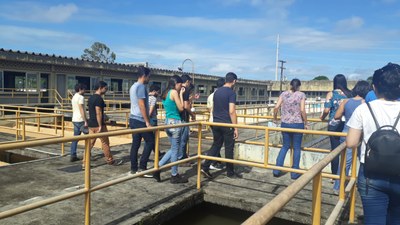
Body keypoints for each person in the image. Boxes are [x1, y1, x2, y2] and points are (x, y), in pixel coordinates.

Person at [346, 63, 400, 224]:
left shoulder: (364, 109)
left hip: (371, 174)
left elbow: (351, 143)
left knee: (373, 220)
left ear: (375, 88)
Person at [201, 72, 241, 179]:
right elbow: (232, 111)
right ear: (234, 81)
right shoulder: (231, 93)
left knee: (216, 145)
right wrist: (235, 128)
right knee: (229, 148)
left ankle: (205, 166)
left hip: (216, 123)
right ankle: (230, 172)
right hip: (226, 124)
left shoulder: (217, 92)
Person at [332, 80, 369, 193]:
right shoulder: (365, 103)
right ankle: (362, 185)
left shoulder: (346, 101)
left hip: (346, 133)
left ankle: (337, 187)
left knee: (345, 162)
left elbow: (337, 116)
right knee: (363, 160)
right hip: (361, 135)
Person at [153, 75, 188, 183]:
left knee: (173, 148)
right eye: (180, 85)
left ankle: (157, 168)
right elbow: (181, 108)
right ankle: (174, 175)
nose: (180, 87)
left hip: (168, 122)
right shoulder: (174, 92)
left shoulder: (165, 93)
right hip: (175, 122)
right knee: (176, 151)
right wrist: (181, 94)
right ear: (176, 84)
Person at [272, 79, 307, 180]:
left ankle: (277, 170)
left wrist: (275, 118)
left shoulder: (284, 94)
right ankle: (294, 173)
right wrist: (306, 122)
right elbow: (302, 110)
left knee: (285, 146)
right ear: (299, 86)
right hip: (297, 124)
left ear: (290, 85)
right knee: (296, 148)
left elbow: (276, 108)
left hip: (285, 123)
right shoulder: (301, 95)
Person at [83, 81, 121, 169]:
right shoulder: (99, 99)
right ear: (100, 88)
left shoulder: (90, 98)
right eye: (105, 88)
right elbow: (98, 112)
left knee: (89, 144)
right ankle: (109, 159)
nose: (106, 90)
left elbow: (92, 111)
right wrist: (100, 125)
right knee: (105, 143)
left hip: (91, 124)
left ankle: (84, 163)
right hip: (99, 125)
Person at [320, 74, 353, 175]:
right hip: (347, 125)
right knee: (346, 151)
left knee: (334, 151)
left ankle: (334, 176)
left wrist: (322, 117)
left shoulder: (331, 94)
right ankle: (344, 174)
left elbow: (326, 110)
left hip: (334, 125)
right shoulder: (350, 94)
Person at [129, 66, 155, 176]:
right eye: (149, 77)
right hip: (140, 119)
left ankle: (134, 168)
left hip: (133, 118)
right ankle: (142, 167)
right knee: (150, 141)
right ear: (144, 76)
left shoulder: (133, 86)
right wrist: (147, 122)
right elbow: (142, 105)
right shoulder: (141, 87)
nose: (149, 79)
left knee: (136, 144)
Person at [206, 77, 225, 170]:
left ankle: (216, 160)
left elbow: (209, 109)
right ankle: (211, 162)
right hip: (219, 121)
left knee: (217, 142)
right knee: (217, 143)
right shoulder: (221, 95)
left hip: (212, 120)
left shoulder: (211, 95)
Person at [178, 74, 196, 161]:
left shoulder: (177, 89)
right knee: (183, 139)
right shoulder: (186, 89)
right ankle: (181, 158)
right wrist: (192, 114)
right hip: (184, 117)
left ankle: (181, 156)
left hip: (176, 117)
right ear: (187, 82)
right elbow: (186, 106)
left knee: (179, 139)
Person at [70, 83, 88, 162]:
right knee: (89, 138)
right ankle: (87, 155)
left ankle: (73, 155)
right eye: (84, 89)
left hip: (74, 119)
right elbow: (81, 109)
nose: (85, 91)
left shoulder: (74, 97)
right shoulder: (81, 97)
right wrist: (85, 121)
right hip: (81, 120)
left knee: (75, 139)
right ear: (80, 89)